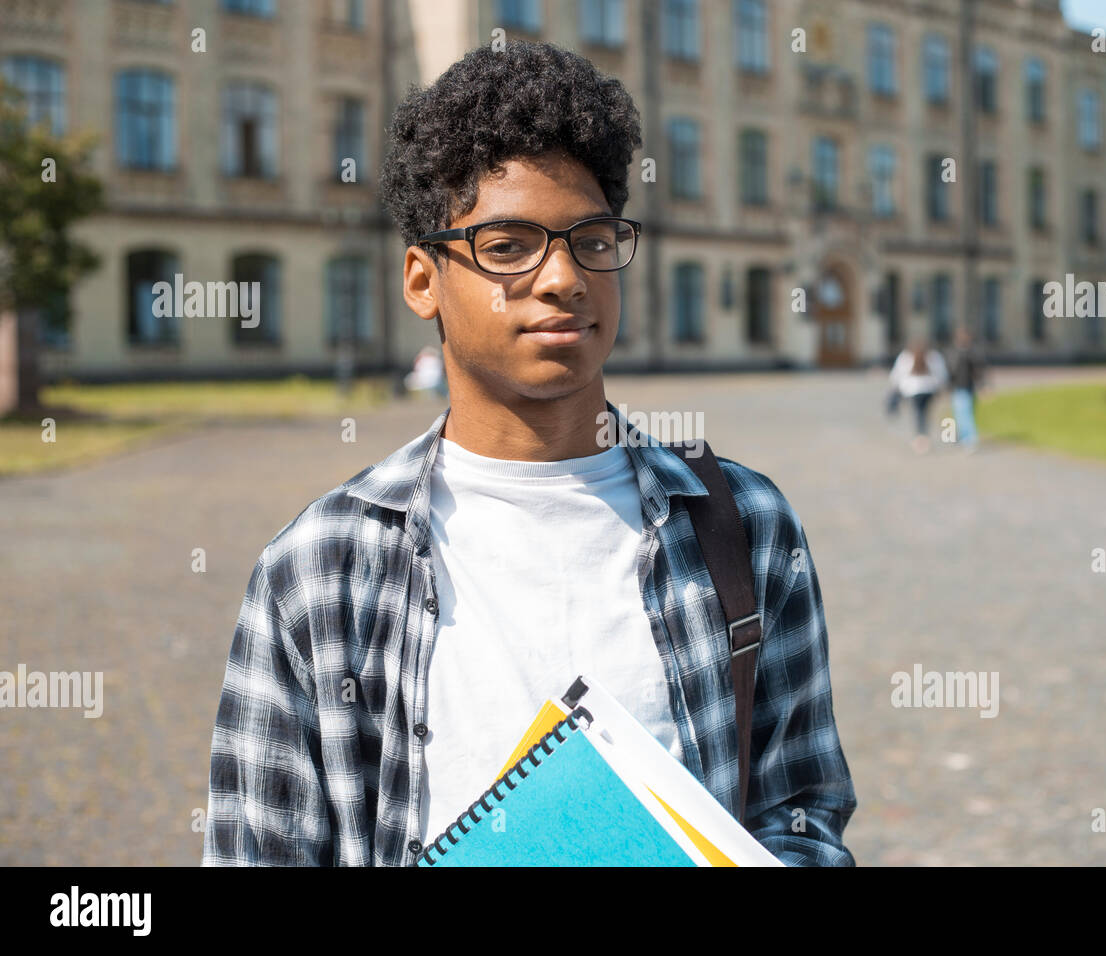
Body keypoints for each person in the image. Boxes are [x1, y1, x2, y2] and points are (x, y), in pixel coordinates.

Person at [201, 40, 856, 867]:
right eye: (507, 246)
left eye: (590, 238)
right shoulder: (318, 570)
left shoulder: (746, 526)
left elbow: (801, 810)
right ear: (421, 280)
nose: (563, 279)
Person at [888, 335, 948, 453]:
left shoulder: (906, 356)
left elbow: (897, 374)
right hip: (930, 388)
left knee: (918, 413)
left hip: (913, 389)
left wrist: (897, 388)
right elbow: (942, 373)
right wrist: (942, 386)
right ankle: (924, 436)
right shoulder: (934, 356)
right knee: (925, 412)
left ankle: (920, 437)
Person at [948, 327, 985, 452]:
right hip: (957, 388)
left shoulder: (971, 353)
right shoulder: (954, 352)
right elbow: (950, 372)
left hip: (966, 387)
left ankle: (970, 439)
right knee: (960, 414)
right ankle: (965, 438)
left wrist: (982, 386)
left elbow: (978, 372)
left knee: (965, 414)